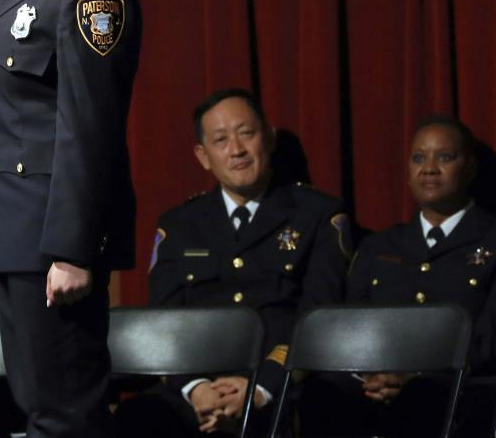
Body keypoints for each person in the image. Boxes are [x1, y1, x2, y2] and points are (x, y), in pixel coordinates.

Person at [0, 0, 142, 438]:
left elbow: (88, 128)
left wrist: (72, 250)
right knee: (40, 410)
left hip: (54, 243)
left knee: (66, 414)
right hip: (20, 232)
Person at [115, 88, 352, 437]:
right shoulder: (179, 225)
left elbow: (319, 316)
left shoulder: (317, 215)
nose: (237, 150)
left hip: (281, 385)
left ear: (268, 138)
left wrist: (259, 389)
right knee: (137, 417)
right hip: (195, 389)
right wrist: (196, 388)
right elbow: (161, 324)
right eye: (221, 140)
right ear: (203, 156)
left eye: (246, 134)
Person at [299, 114, 496, 438]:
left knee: (420, 397)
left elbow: (489, 340)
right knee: (321, 393)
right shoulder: (380, 246)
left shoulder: (492, 238)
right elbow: (352, 325)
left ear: (470, 168)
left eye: (445, 157)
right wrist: (372, 374)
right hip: (375, 384)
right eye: (418, 158)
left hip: (456, 386)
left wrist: (415, 374)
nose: (429, 168)